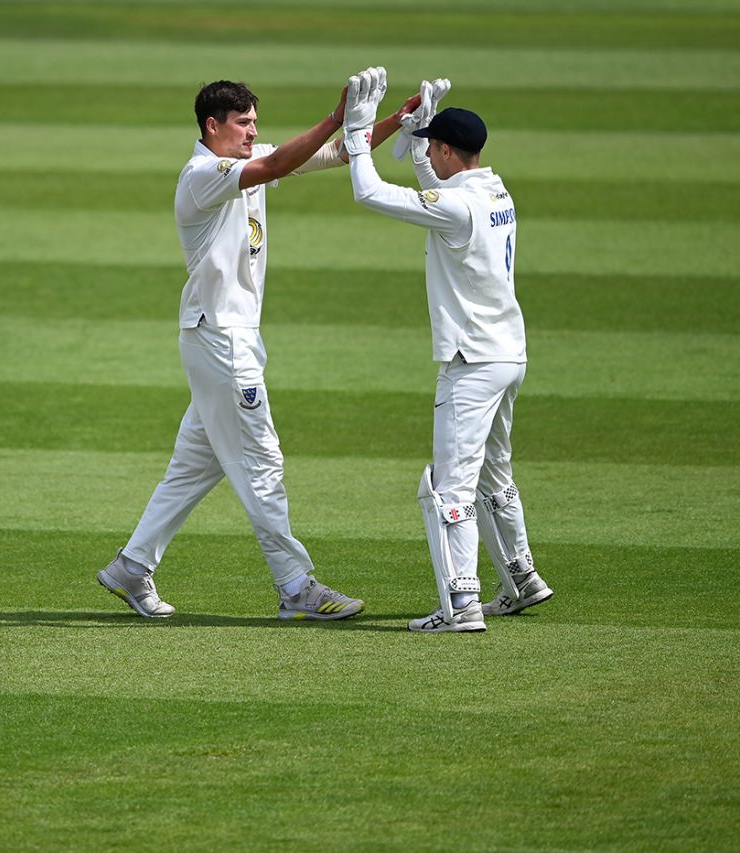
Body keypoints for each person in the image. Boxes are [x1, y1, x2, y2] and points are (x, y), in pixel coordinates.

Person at [96, 75, 416, 620]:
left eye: (255, 122)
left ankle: (132, 565)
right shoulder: (202, 175)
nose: (252, 131)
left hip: (228, 337)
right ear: (211, 125)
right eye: (243, 122)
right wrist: (337, 115)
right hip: (222, 338)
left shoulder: (246, 159)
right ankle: (296, 587)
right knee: (263, 460)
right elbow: (273, 167)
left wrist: (397, 122)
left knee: (195, 464)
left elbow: (334, 155)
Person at [340, 68, 553, 633]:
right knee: (494, 476)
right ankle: (522, 579)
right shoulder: (494, 190)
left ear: (446, 150)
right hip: (509, 355)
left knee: (445, 488)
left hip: (472, 363)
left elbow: (369, 192)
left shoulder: (457, 208)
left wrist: (360, 135)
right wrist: (416, 140)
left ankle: (460, 604)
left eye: (431, 146)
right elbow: (435, 192)